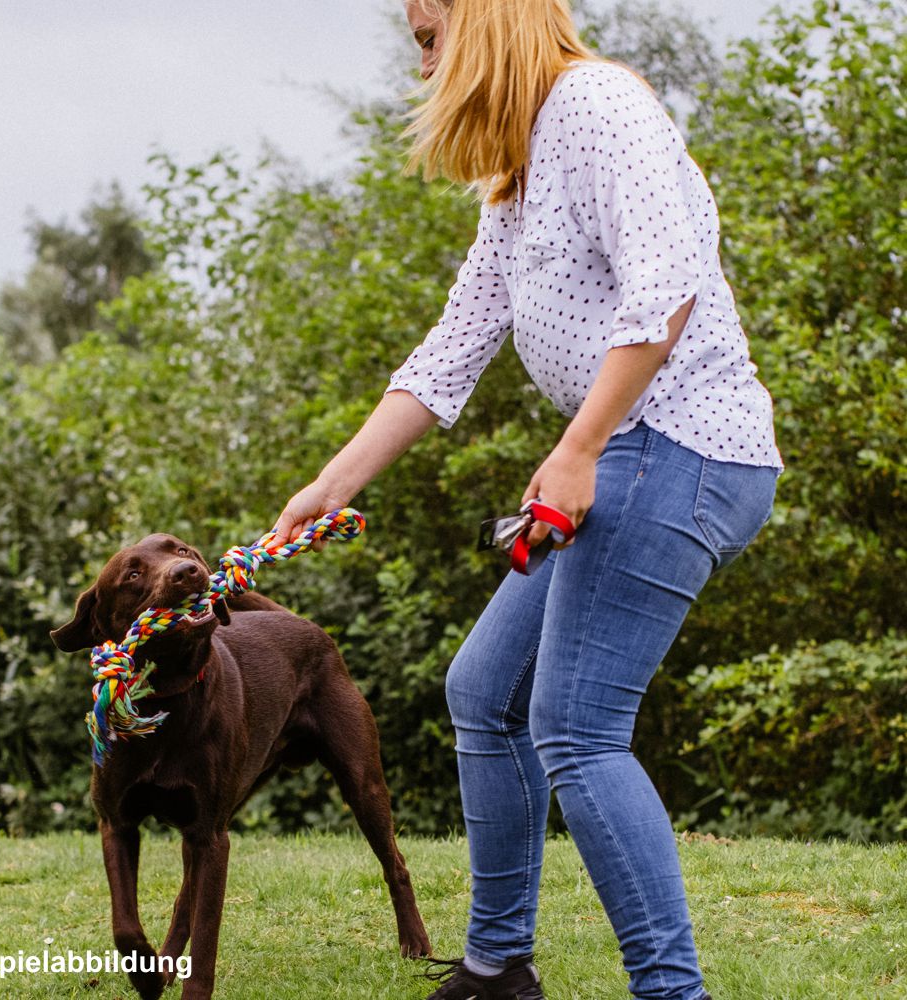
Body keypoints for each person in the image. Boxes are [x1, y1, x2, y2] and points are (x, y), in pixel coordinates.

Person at [271, 1, 783, 997]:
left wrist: (578, 445)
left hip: (681, 447)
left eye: (429, 40)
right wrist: (331, 485)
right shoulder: (515, 170)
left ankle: (672, 993)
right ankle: (497, 967)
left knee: (578, 728)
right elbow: (453, 347)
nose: (421, 70)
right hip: (623, 452)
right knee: (483, 689)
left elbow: (668, 286)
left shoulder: (596, 104)